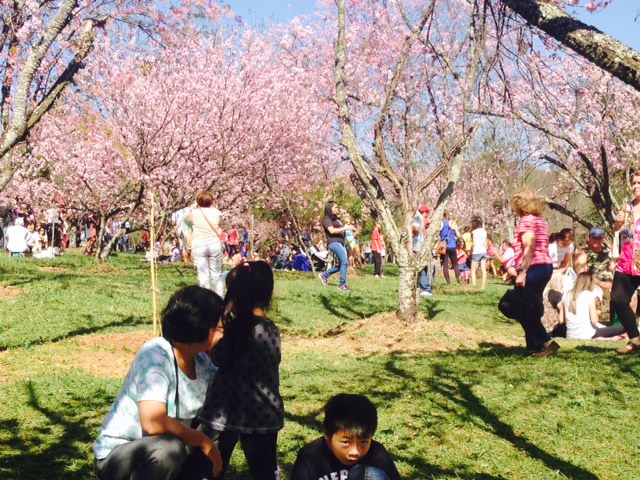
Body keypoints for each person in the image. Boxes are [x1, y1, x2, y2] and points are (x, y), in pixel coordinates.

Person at [93, 286, 224, 480]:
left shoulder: (202, 361)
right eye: (218, 327)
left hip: (176, 451)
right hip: (122, 454)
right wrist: (203, 441)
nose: (223, 331)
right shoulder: (156, 356)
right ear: (199, 328)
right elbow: (153, 423)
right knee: (167, 450)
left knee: (223, 422)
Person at [198, 261, 283, 480]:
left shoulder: (237, 329)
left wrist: (213, 339)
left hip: (226, 410)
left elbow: (219, 356)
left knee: (213, 465)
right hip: (263, 411)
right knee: (264, 470)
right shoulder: (270, 329)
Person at [290, 394, 401, 480]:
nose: (355, 452)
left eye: (363, 442)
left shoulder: (377, 453)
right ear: (327, 435)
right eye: (346, 442)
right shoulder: (310, 455)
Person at [509, 187, 558, 357]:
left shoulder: (526, 221)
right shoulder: (540, 221)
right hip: (544, 266)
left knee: (522, 307)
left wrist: (522, 271)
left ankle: (545, 342)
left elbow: (528, 247)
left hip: (534, 267)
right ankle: (533, 347)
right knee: (530, 307)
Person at [611, 170, 640, 354]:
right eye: (634, 183)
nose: (635, 186)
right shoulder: (627, 207)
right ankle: (635, 339)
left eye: (639, 183)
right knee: (618, 299)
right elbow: (619, 234)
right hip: (627, 261)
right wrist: (619, 225)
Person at [184, 192, 225, 297]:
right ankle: (220, 299)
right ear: (211, 201)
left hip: (199, 245)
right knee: (217, 274)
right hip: (214, 244)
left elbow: (185, 218)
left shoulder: (194, 213)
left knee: (203, 276)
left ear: (198, 201)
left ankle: (206, 300)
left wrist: (193, 206)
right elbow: (222, 225)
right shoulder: (217, 212)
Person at [564, 272, 626, 340]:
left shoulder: (567, 295)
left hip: (570, 334)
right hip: (587, 334)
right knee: (625, 327)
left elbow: (562, 319)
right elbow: (594, 320)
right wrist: (597, 313)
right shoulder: (589, 295)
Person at [318, 202, 355, 292]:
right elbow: (332, 231)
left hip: (341, 242)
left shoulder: (336, 219)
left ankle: (325, 275)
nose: (337, 209)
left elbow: (341, 230)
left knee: (344, 263)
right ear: (330, 208)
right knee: (344, 262)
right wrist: (345, 228)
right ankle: (342, 285)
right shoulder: (326, 219)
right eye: (335, 207)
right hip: (333, 242)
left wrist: (348, 230)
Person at [413, 204, 433, 296]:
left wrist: (409, 231)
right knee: (422, 267)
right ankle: (423, 287)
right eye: (427, 212)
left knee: (421, 267)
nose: (427, 214)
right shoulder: (420, 218)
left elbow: (416, 229)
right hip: (420, 244)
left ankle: (426, 288)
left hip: (417, 245)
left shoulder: (417, 217)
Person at [439, 213, 460, 284]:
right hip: (452, 245)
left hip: (443, 246)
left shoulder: (440, 223)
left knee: (445, 265)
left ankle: (448, 283)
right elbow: (458, 235)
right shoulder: (453, 223)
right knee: (455, 264)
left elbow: (438, 234)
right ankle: (458, 281)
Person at [470, 217, 488, 290]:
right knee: (483, 269)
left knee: (473, 270)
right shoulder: (484, 232)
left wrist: (471, 250)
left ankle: (474, 285)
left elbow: (474, 243)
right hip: (484, 251)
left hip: (476, 251)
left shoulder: (475, 232)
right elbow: (486, 243)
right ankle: (483, 286)